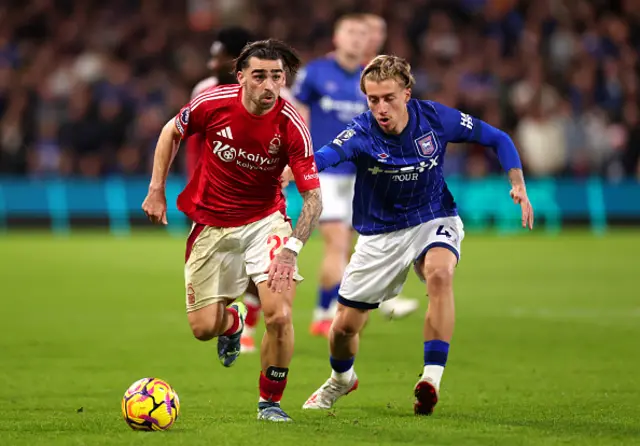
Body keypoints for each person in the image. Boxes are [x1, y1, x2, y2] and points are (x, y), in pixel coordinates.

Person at [300, 55, 534, 415]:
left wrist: (517, 183)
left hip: (433, 216)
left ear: (406, 93)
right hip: (381, 234)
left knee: (440, 275)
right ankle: (341, 380)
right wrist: (297, 170)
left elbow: (498, 138)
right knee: (345, 329)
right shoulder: (361, 131)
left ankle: (430, 379)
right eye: (373, 99)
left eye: (388, 98)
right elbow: (329, 154)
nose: (381, 107)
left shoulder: (436, 118)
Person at [142, 39, 323, 422]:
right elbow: (168, 132)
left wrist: (290, 250)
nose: (269, 85)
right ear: (241, 77)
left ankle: (270, 402)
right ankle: (234, 321)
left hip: (265, 222)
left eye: (277, 76)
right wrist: (156, 189)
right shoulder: (212, 103)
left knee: (279, 315)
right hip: (211, 223)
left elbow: (313, 201)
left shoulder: (292, 125)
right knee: (203, 328)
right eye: (259, 76)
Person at [291, 14, 417, 339]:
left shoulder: (369, 81)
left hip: (364, 175)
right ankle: (378, 301)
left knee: (349, 249)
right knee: (338, 244)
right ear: (337, 37)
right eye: (351, 32)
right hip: (327, 174)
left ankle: (325, 311)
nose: (357, 39)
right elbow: (295, 113)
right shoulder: (315, 73)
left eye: (363, 34)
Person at [182, 26, 265, 355]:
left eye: (219, 57)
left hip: (260, 197)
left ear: (236, 62)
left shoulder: (270, 91)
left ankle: (250, 327)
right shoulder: (204, 90)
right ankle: (232, 320)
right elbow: (192, 141)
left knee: (257, 268)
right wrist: (193, 185)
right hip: (214, 197)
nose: (212, 64)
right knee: (225, 269)